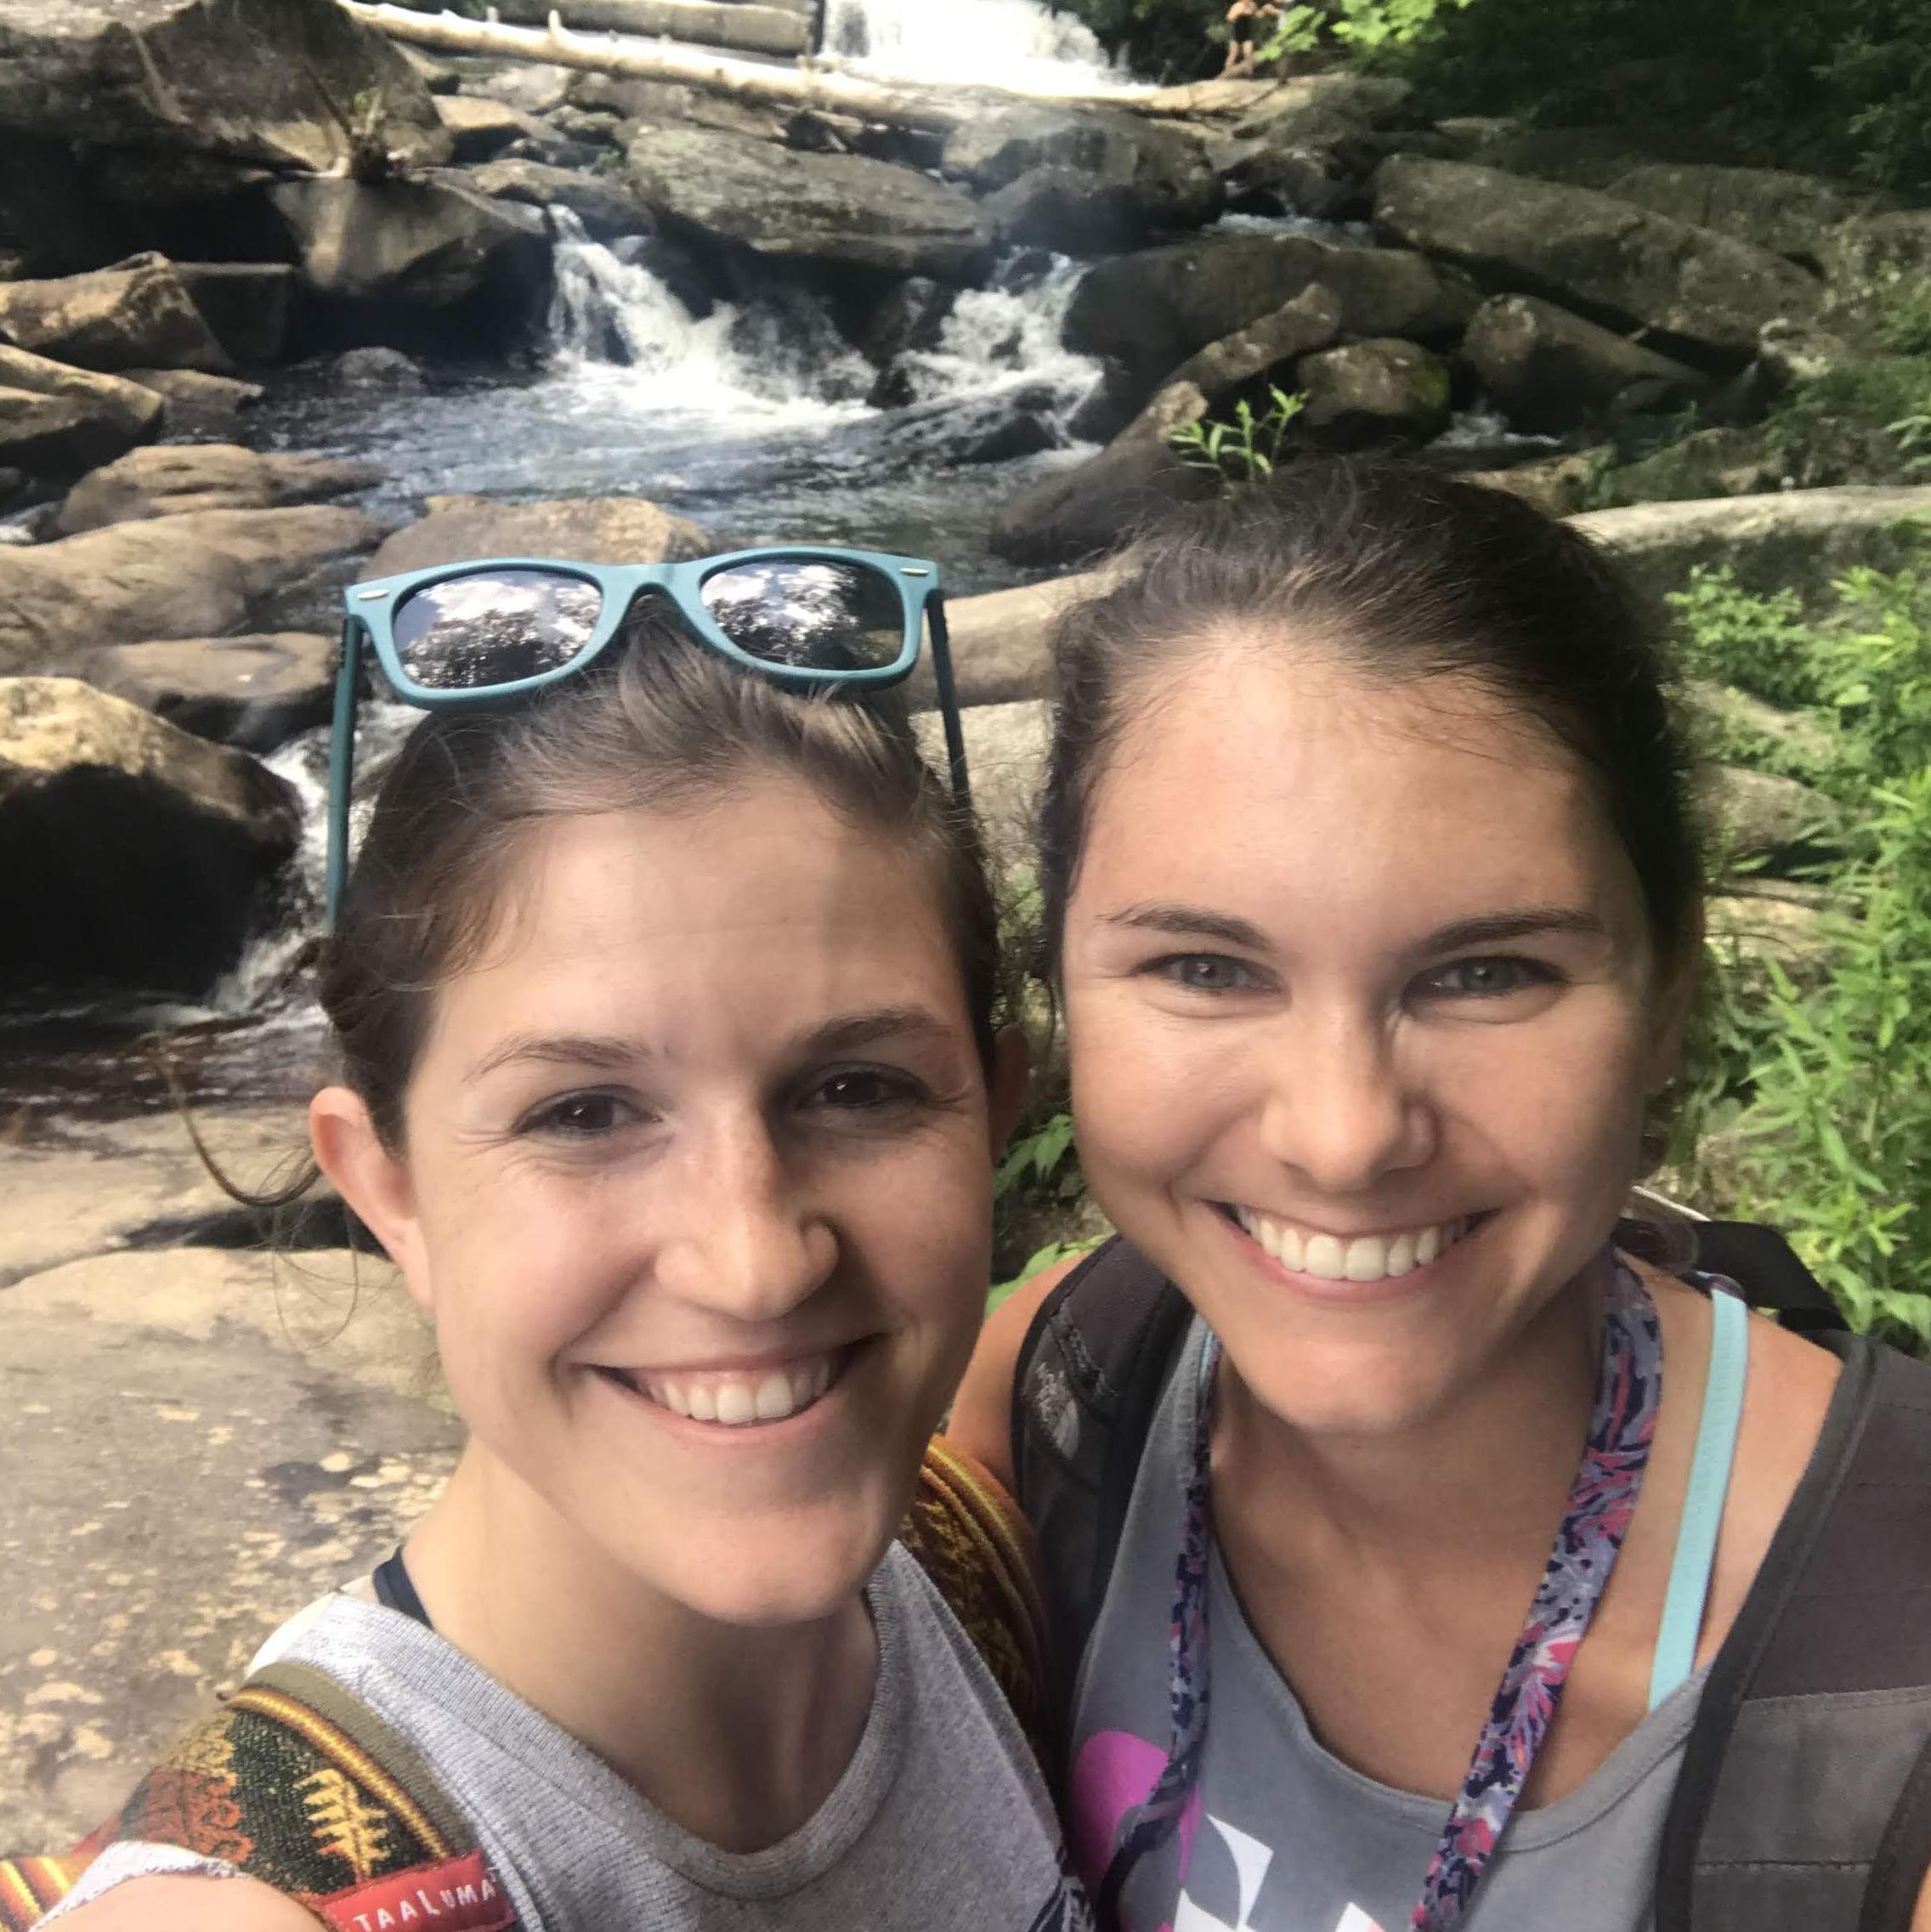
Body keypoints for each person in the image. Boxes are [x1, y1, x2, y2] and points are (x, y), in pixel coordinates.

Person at [37, 548, 1087, 1931]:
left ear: (992, 1108)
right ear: (388, 1188)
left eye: (855, 1087)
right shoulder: (264, 1901)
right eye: (584, 1110)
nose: (754, 1256)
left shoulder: (993, 1548)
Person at [952, 461, 1931, 1932]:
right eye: (1207, 968)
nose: (1343, 1136)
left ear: (1669, 987)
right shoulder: (1065, 1380)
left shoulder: (1885, 1673)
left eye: (1485, 972)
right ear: (1059, 992)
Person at [1222, 0, 1281, 77]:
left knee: (1249, 54)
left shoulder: (1252, 5)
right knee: (1233, 54)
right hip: (1236, 33)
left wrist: (1265, 10)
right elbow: (1229, 18)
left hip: (1247, 33)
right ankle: (1227, 72)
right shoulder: (1237, 6)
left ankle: (1249, 73)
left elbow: (1258, 15)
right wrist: (1240, 13)